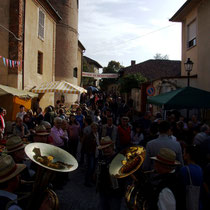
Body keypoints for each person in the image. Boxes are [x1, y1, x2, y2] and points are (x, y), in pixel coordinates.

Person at [96, 136, 127, 210]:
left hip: (115, 193)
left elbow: (124, 177)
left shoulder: (120, 158)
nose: (105, 150)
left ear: (112, 147)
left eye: (107, 148)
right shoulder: (101, 157)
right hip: (103, 190)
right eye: (103, 148)